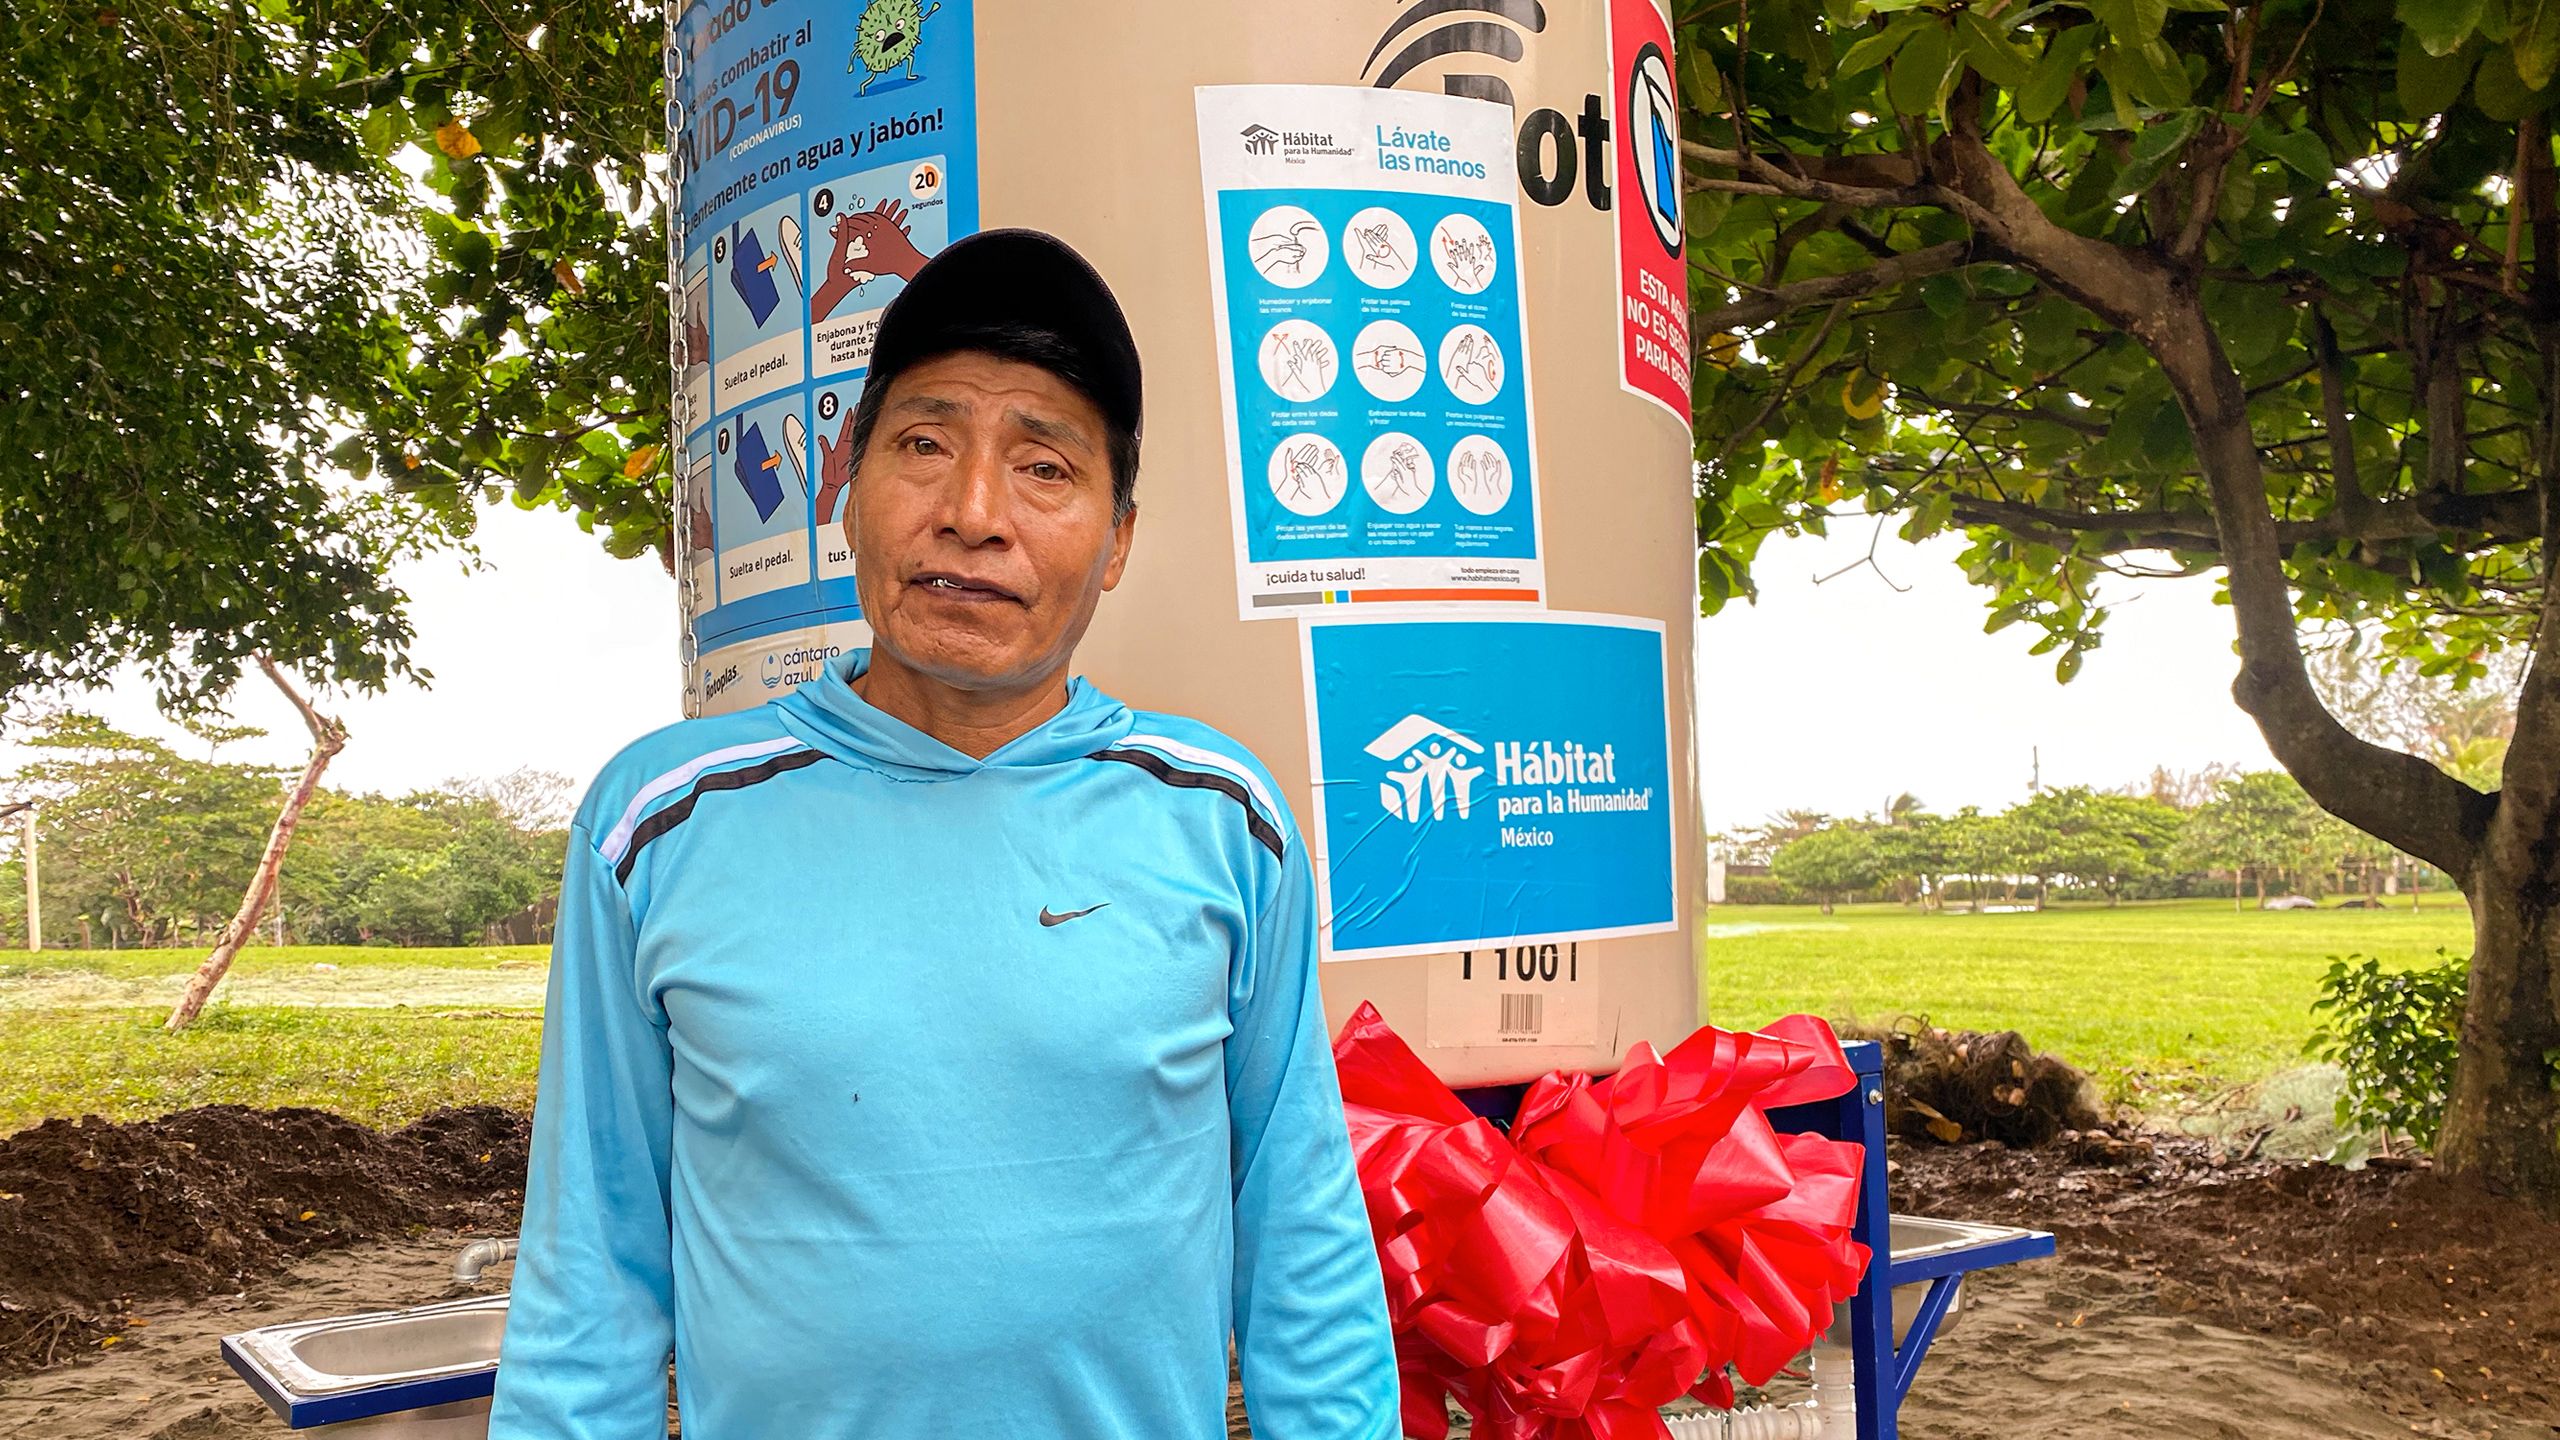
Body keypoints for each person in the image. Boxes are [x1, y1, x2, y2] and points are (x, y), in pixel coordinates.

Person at [488, 230, 1399, 1439]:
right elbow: (588, 1261)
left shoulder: (1223, 816)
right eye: (924, 445)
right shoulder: (659, 822)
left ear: (1117, 538)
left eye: (1045, 468)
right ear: (842, 484)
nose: (974, 515)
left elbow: (1300, 1231)